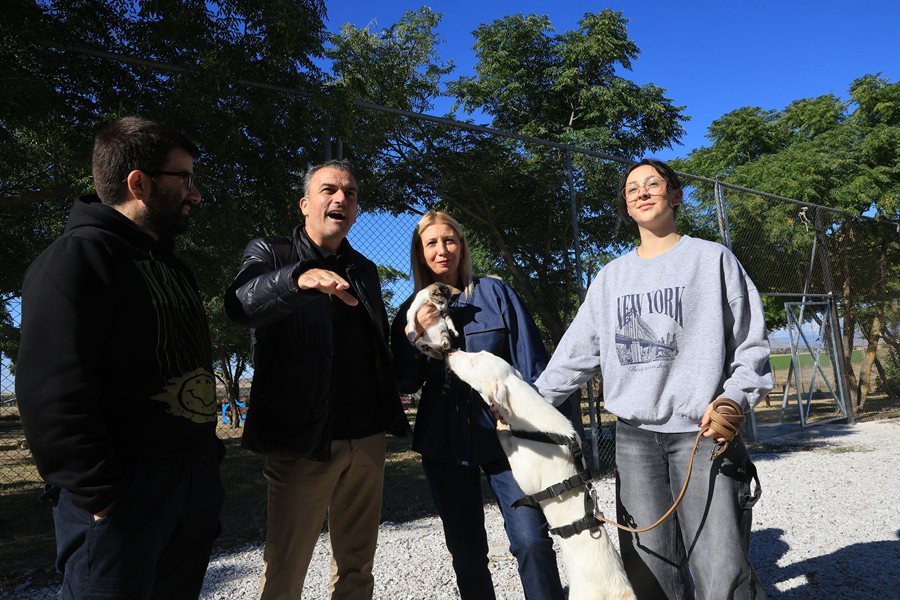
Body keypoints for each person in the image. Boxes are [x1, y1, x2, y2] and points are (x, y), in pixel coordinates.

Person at [535, 159, 773, 599]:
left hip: (701, 435)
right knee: (648, 568)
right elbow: (574, 355)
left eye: (653, 185)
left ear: (676, 196)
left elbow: (752, 347)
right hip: (634, 440)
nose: (642, 193)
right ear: (626, 206)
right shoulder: (610, 279)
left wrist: (735, 399)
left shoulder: (712, 260)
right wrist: (527, 404)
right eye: (632, 189)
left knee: (720, 568)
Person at [16, 116, 224, 599]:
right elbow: (51, 391)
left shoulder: (171, 265)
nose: (195, 194)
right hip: (121, 504)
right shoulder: (75, 259)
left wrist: (203, 474)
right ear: (139, 183)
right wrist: (98, 494)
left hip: (188, 491)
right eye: (185, 179)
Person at [224, 160, 409, 599]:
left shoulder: (363, 268)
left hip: (366, 439)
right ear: (305, 203)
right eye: (329, 190)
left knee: (357, 568)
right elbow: (240, 303)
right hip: (302, 441)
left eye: (350, 193)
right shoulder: (273, 254)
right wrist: (297, 278)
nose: (340, 198)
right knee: (285, 571)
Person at [391, 211, 566, 600]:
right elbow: (403, 382)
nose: (442, 250)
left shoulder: (495, 293)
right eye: (431, 243)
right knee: (467, 553)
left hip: (507, 436)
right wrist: (414, 333)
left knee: (531, 541)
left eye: (449, 240)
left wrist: (545, 430)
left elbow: (532, 364)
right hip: (445, 440)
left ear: (462, 246)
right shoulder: (408, 308)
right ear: (420, 253)